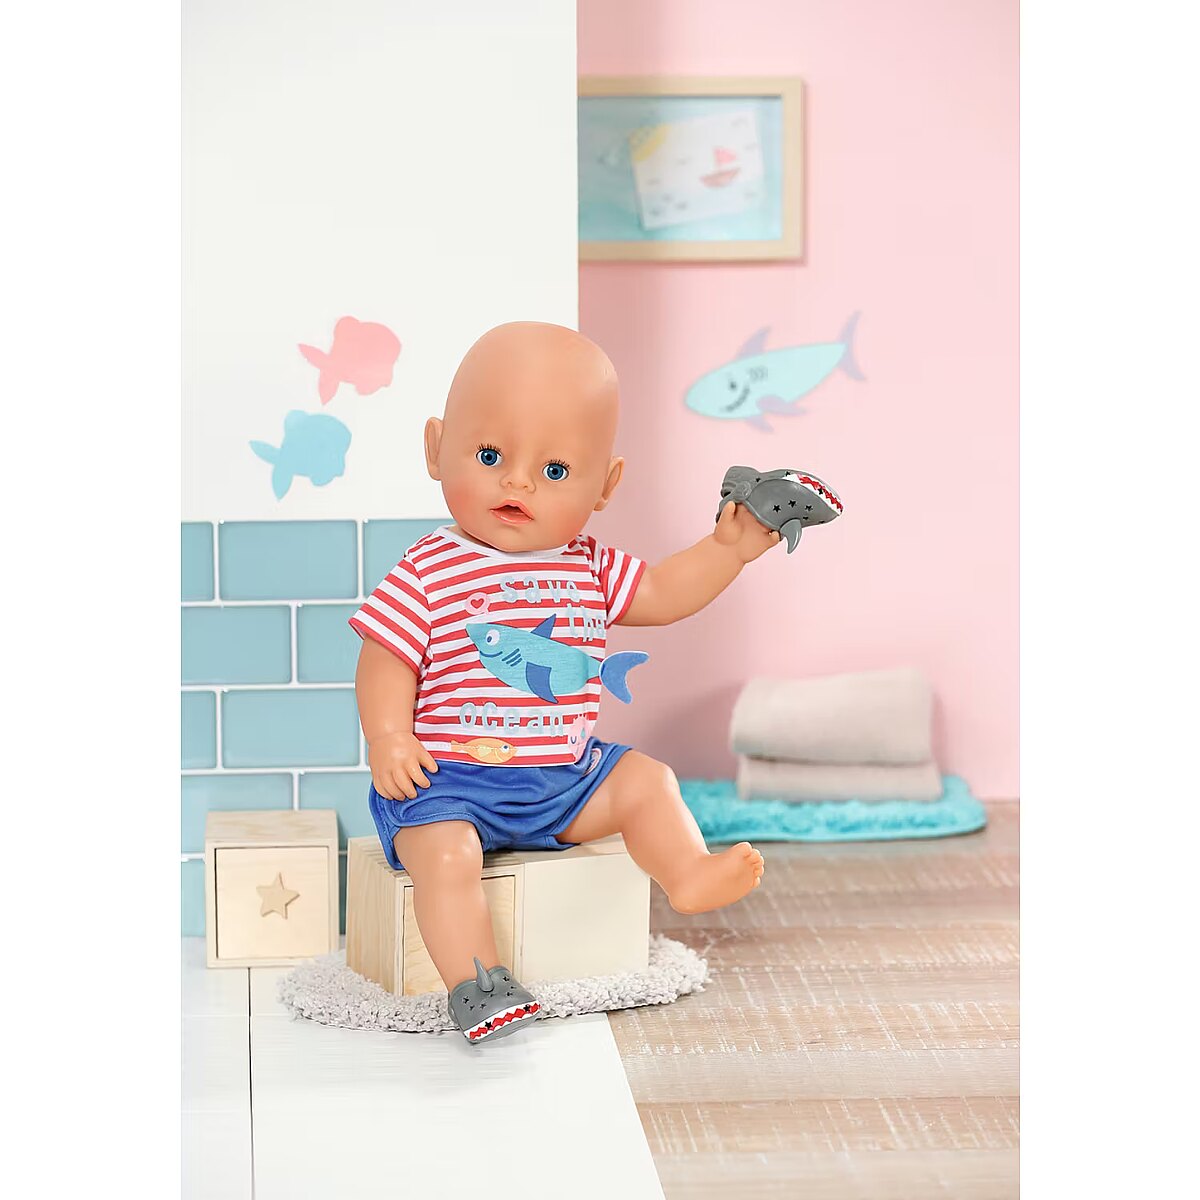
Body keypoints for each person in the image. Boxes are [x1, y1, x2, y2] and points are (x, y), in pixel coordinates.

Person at [350, 321, 779, 1043]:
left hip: (563, 784)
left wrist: (727, 550)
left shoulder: (588, 563)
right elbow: (386, 656)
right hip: (447, 785)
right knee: (447, 858)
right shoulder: (430, 567)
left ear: (605, 485)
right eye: (490, 455)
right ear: (436, 448)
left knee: (646, 780)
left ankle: (688, 872)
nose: (517, 482)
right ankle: (478, 985)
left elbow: (664, 592)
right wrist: (389, 736)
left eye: (554, 471)